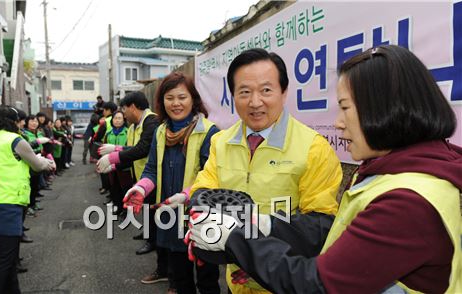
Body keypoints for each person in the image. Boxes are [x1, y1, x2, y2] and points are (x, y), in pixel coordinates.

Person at [186, 45, 462, 293]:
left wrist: (238, 237)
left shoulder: (405, 200)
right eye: (244, 92)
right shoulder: (393, 172)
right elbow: (205, 189)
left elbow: (319, 276)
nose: (339, 124)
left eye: (344, 108)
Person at [187, 48, 343, 293]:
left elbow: (320, 228)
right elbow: (204, 188)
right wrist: (199, 218)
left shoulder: (314, 148)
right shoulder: (221, 141)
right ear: (233, 96)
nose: (255, 102)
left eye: (266, 90)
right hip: (235, 281)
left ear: (284, 92)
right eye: (245, 92)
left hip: (284, 283)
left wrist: (256, 228)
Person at [123, 72, 221, 293]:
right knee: (180, 280)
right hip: (170, 219)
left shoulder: (209, 132)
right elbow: (151, 170)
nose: (176, 103)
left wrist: (186, 195)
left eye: (182, 97)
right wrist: (140, 188)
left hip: (201, 219)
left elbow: (212, 177)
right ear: (162, 101)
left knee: (207, 282)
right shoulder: (160, 131)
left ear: (193, 99)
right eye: (169, 98)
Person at [0, 106, 55, 294]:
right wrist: (48, 162)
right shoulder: (15, 140)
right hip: (10, 203)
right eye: (19, 121)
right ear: (13, 122)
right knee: (6, 258)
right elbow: (37, 165)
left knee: (7, 255)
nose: (21, 125)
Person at [96, 92, 160, 256]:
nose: (123, 114)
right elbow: (132, 151)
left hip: (153, 177)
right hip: (140, 176)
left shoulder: (152, 122)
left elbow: (142, 149)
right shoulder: (133, 126)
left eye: (124, 109)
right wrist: (115, 165)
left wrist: (114, 155)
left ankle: (153, 241)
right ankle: (148, 235)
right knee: (146, 208)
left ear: (132, 107)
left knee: (153, 210)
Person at [102, 111, 131, 218]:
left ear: (124, 120)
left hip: (125, 166)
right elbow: (103, 148)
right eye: (115, 118)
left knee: (125, 189)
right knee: (114, 188)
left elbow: (131, 149)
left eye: (120, 118)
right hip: (111, 165)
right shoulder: (108, 133)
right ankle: (118, 208)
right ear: (112, 120)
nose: (117, 120)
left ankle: (126, 210)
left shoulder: (128, 132)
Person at [94, 101, 118, 198]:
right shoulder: (118, 119)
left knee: (106, 172)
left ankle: (108, 191)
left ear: (108, 110)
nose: (103, 112)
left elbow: (98, 135)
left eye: (104, 110)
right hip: (117, 148)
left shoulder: (105, 121)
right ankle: (112, 194)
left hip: (106, 148)